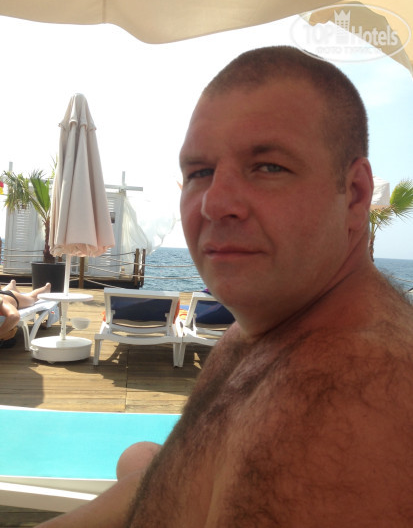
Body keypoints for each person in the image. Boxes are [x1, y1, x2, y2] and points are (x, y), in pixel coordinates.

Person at [37, 46, 413, 527]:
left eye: (268, 167)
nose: (214, 204)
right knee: (141, 458)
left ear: (355, 195)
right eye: (199, 172)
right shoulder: (266, 330)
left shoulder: (347, 403)